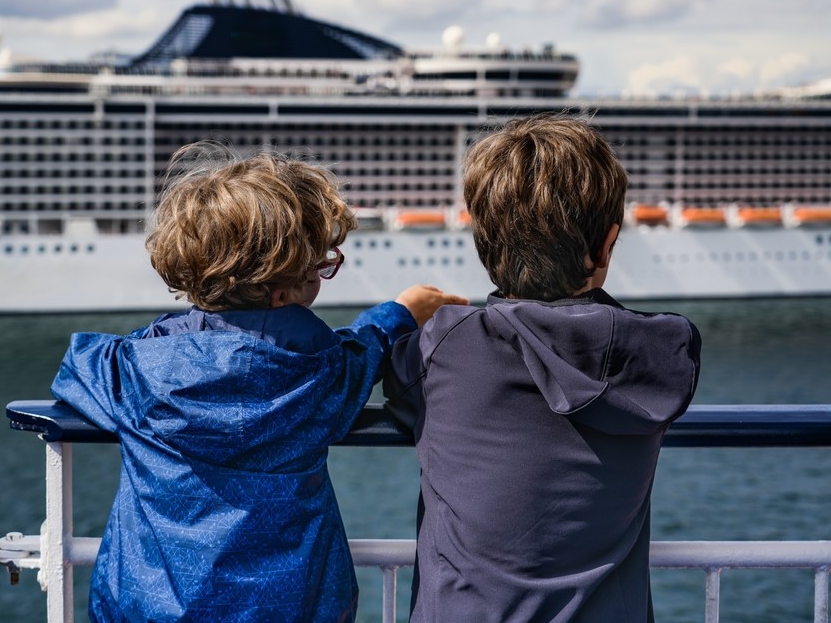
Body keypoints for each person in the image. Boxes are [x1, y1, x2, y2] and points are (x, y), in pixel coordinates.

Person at [51, 143, 468, 622]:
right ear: (283, 292)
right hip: (295, 609)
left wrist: (161, 336)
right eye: (320, 266)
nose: (324, 275)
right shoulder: (324, 375)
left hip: (149, 609)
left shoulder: (136, 370)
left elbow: (78, 364)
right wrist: (400, 312)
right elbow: (367, 347)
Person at [385, 114, 702, 622]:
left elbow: (400, 387)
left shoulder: (443, 342)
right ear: (606, 244)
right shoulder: (659, 349)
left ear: (484, 244)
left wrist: (398, 314)